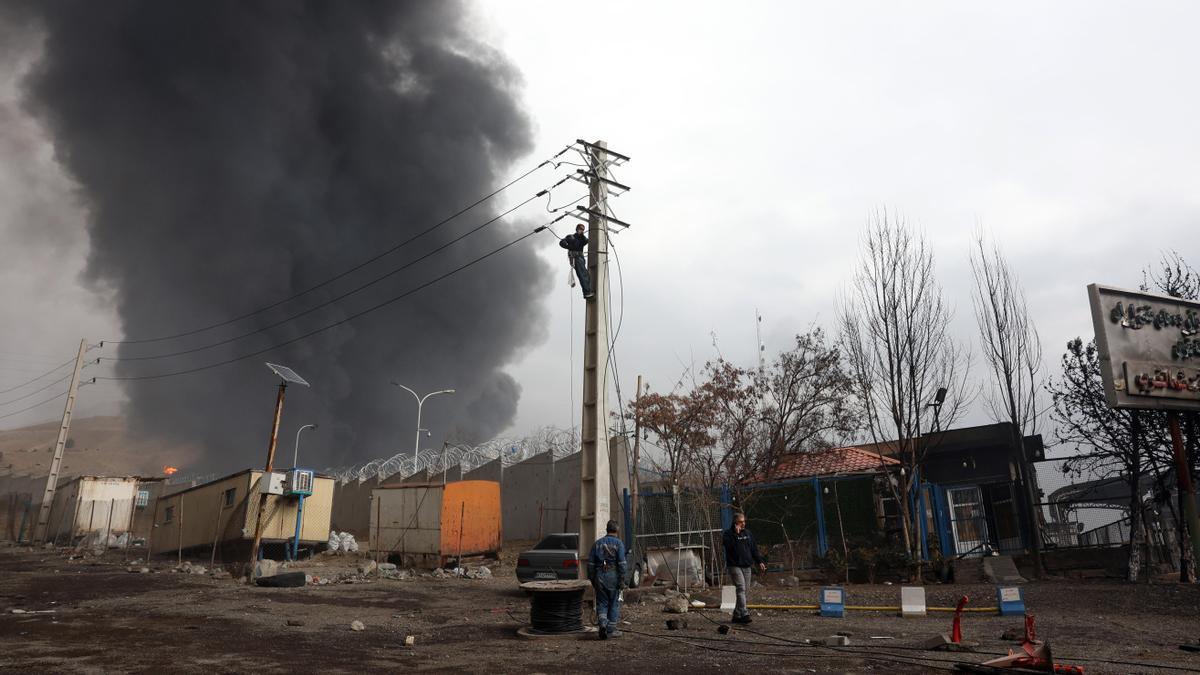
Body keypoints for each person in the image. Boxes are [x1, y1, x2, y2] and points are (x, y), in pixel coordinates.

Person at [722, 511, 766, 624]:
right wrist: (735, 535)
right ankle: (745, 613)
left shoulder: (748, 533)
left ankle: (737, 615)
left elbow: (754, 549)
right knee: (741, 588)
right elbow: (728, 546)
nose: (743, 524)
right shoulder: (728, 534)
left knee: (745, 591)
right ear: (735, 522)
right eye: (741, 522)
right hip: (735, 566)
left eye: (744, 521)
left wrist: (759, 561)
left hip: (747, 566)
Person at [588, 519, 627, 639]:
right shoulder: (619, 543)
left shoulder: (597, 543)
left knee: (602, 602)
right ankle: (611, 630)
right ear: (617, 530)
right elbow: (622, 564)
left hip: (599, 576)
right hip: (613, 575)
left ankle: (603, 625)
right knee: (614, 603)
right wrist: (622, 579)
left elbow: (590, 564)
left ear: (607, 529)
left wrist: (592, 579)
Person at [559, 223, 594, 299]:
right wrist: (568, 245)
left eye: (582, 229)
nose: (581, 231)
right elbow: (561, 242)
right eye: (580, 229)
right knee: (582, 275)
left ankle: (588, 291)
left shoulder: (583, 238)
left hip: (581, 257)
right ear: (577, 229)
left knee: (586, 274)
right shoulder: (571, 237)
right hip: (575, 257)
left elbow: (587, 241)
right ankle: (587, 293)